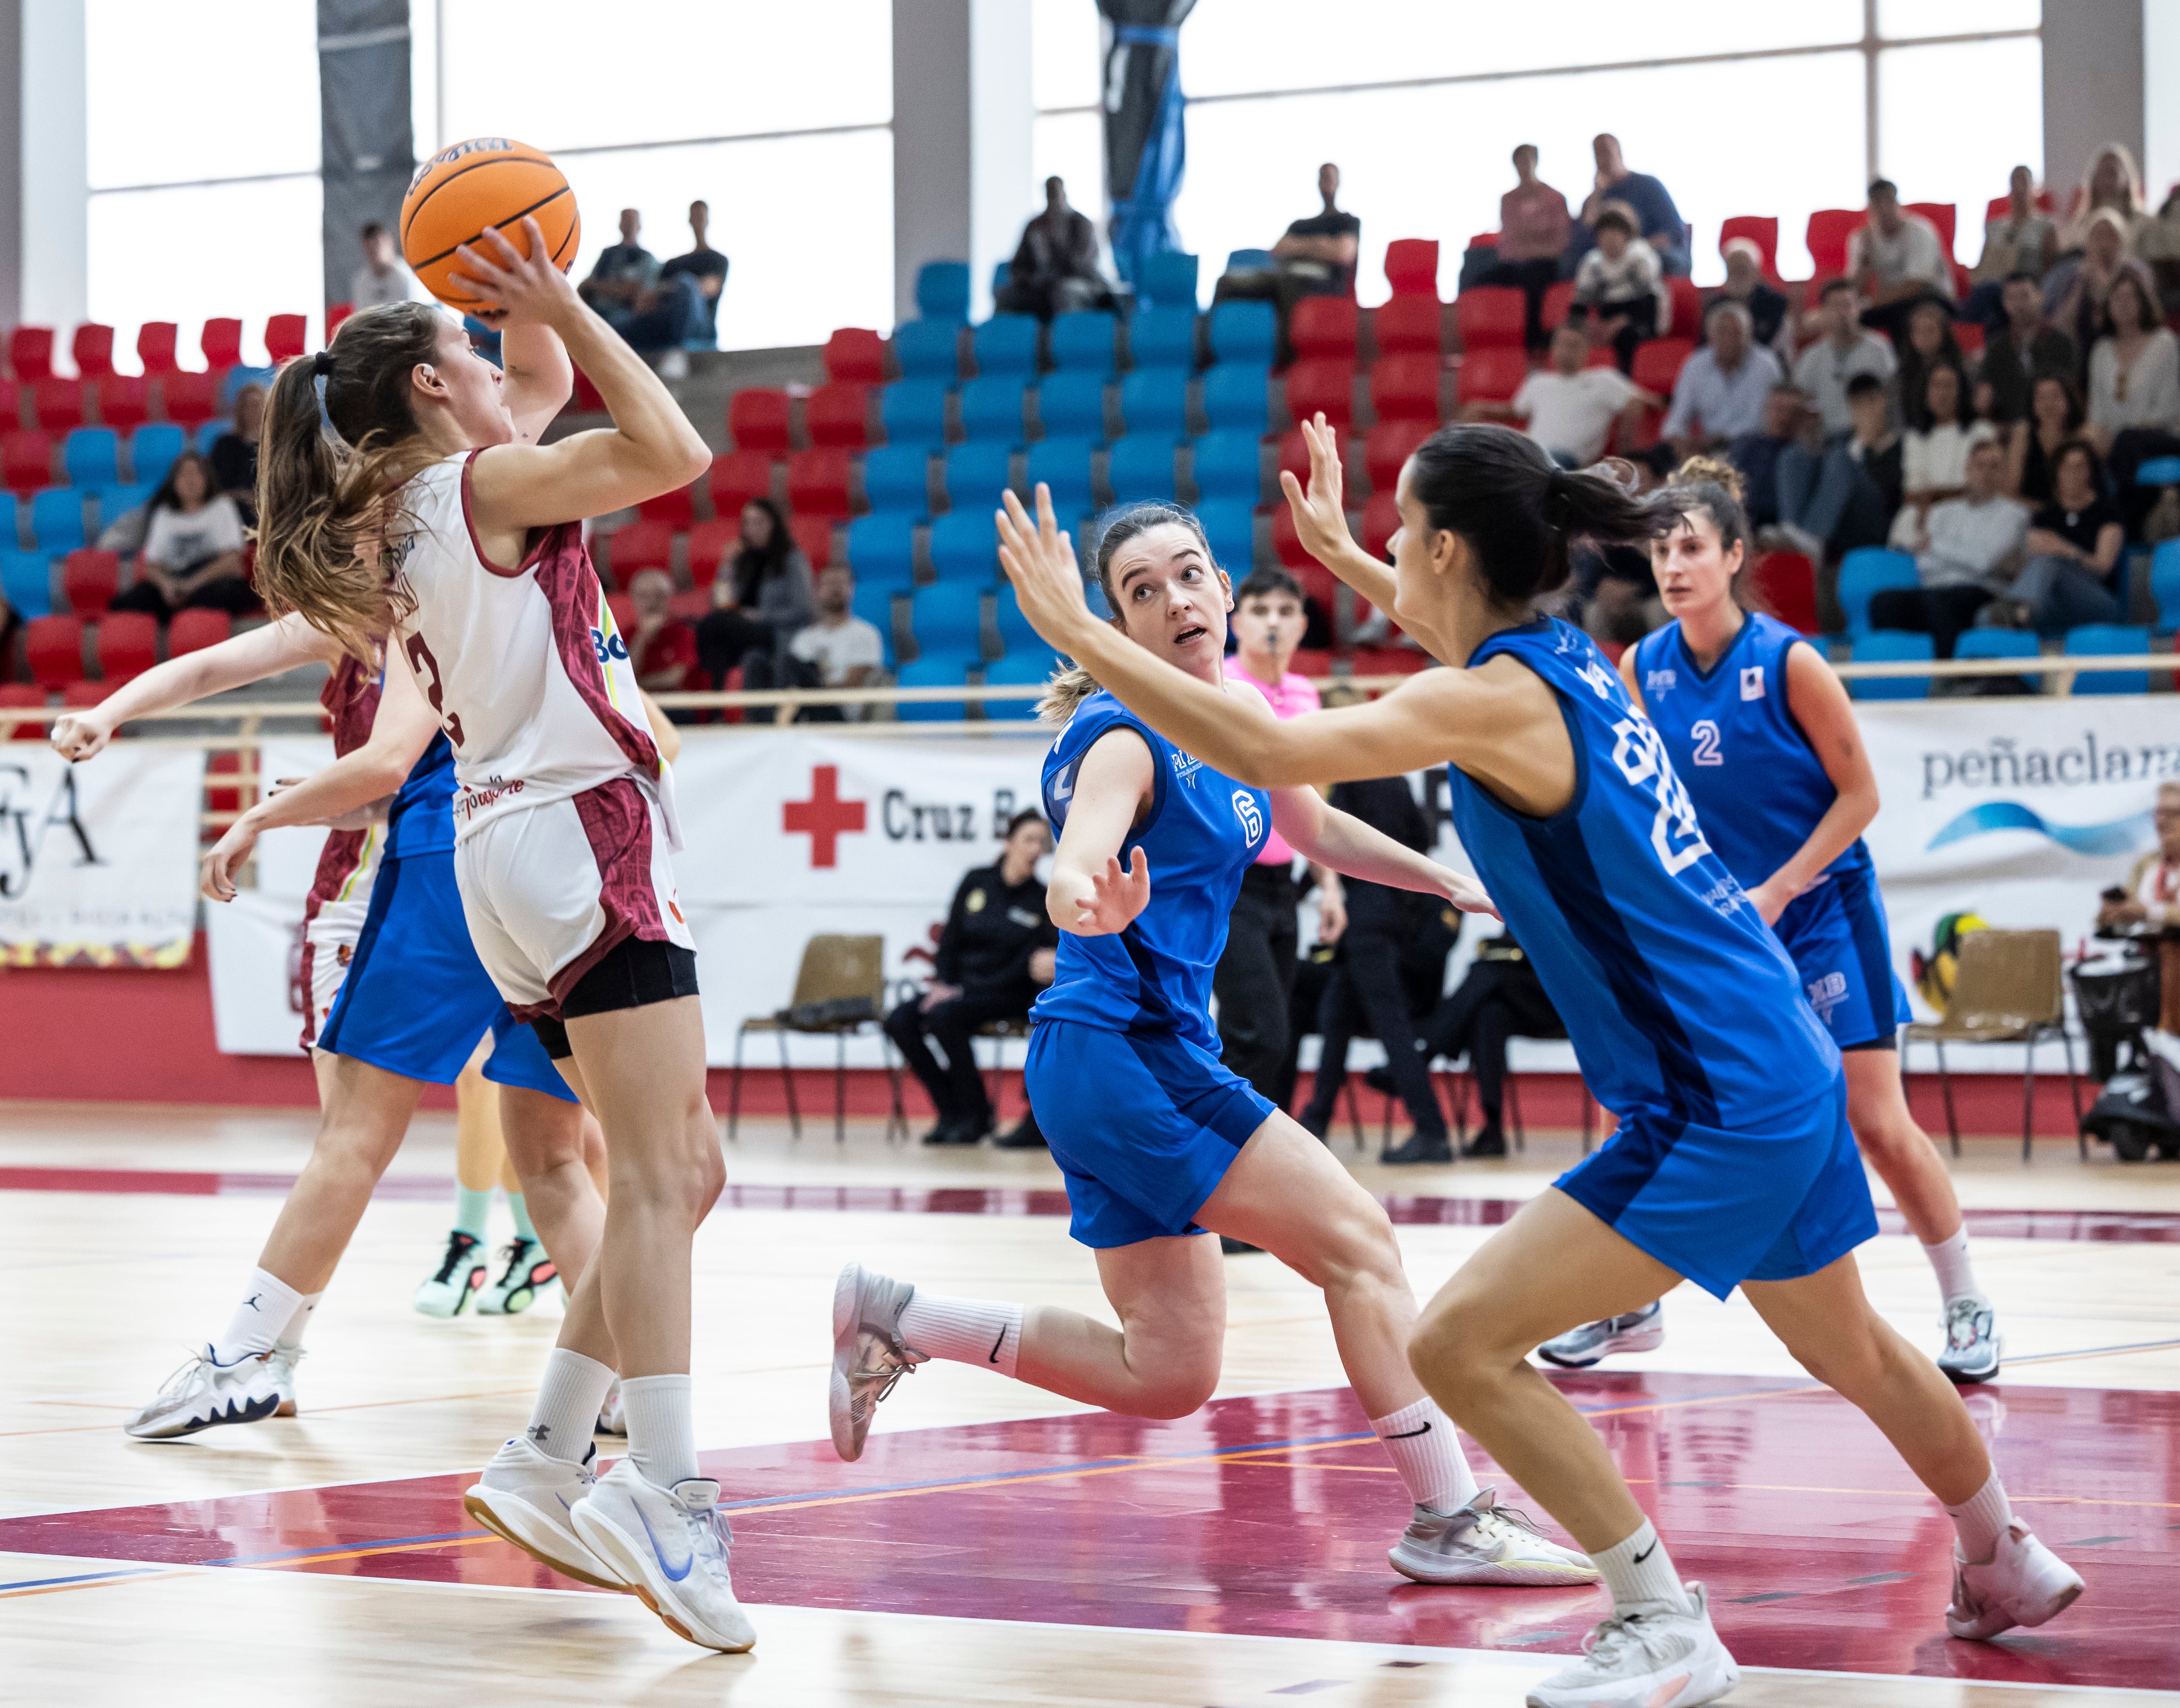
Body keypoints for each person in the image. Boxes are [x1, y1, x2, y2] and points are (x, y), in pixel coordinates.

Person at [994, 416, 2081, 1704]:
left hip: (1706, 1094)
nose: (1391, 555)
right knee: (1847, 1338)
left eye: (1402, 534)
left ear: (1451, 550)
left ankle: (1657, 1616)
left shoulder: (1489, 698)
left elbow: (1275, 750)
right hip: (1777, 1052)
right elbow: (1434, 625)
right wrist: (1341, 550)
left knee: (1455, 1344)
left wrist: (1083, 631)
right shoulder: (1572, 658)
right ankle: (1999, 1547)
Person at [834, 496, 1595, 1598]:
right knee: (1359, 1243)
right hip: (1125, 1051)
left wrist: (1446, 878)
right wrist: (1076, 893)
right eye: (1143, 590)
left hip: (1116, 1061)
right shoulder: (1121, 733)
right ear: (1119, 626)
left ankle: (902, 1317)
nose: (1176, 599)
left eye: (1189, 573)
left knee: (1168, 1373)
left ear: (1227, 588)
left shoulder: (1237, 721)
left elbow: (1314, 825)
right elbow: (1075, 851)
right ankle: (1448, 1511)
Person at [242, 227, 751, 1650]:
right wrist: (578, 304)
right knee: (658, 1171)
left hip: (493, 854)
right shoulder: (489, 481)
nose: (491, 359)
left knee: (678, 1167)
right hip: (584, 828)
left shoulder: (411, 502)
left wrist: (521, 293)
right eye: (464, 349)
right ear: (424, 386)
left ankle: (545, 1448)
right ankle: (666, 1487)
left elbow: (525, 380)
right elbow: (672, 448)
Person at [56, 610, 608, 1431]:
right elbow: (215, 667)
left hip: (435, 865)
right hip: (553, 858)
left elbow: (384, 765)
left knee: (352, 1138)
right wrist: (111, 712)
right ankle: (627, 1372)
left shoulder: (428, 593)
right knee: (558, 1153)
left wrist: (263, 815)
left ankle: (252, 1356)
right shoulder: (525, 594)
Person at [1539, 458, 2003, 1384]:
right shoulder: (1643, 665)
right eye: (1660, 549)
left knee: (1874, 1118)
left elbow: (1861, 795)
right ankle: (1629, 1302)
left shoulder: (1789, 660)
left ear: (1733, 556)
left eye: (1691, 548)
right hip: (1727, 925)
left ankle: (1965, 1297)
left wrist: (1782, 888)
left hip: (1820, 906)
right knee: (1655, 1104)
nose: (1673, 566)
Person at [1212, 568, 1343, 1117]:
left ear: (1301, 626)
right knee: (1259, 1034)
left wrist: (1329, 887)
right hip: (1228, 882)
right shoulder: (1218, 682)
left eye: (1285, 612)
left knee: (1272, 1035)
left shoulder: (1306, 694)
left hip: (1282, 886)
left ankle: (1254, 1166)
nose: (1273, 622)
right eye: (1261, 610)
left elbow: (1310, 802)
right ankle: (1226, 1164)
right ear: (1236, 621)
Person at [1298, 770, 1454, 1164]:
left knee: (1391, 1024)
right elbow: (1420, 838)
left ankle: (1431, 1128)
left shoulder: (1349, 780)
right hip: (1393, 913)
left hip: (1365, 917)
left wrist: (1303, 890)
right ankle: (1315, 1120)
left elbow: (1329, 838)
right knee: (1338, 1012)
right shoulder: (1396, 779)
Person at [885, 812, 1058, 1147]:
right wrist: (944, 982)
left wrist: (964, 990)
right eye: (1029, 839)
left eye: (1042, 842)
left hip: (1006, 992)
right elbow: (950, 939)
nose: (1036, 848)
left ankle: (977, 1115)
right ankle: (952, 1109)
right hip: (960, 988)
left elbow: (1036, 965)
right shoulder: (976, 881)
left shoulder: (1042, 899)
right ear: (1008, 842)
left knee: (944, 1017)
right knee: (900, 1020)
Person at [1871, 435, 2029, 656]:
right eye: (1980, 466)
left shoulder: (2014, 515)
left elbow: (1985, 563)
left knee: (1941, 603)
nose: (1986, 473)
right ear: (1967, 470)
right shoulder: (1941, 512)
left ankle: (1947, 680)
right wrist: (1961, 556)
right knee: (1883, 602)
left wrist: (1935, 544)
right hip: (1936, 590)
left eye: (1995, 467)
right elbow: (1924, 565)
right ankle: (1891, 679)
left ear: (2004, 474)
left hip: (1983, 593)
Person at [1471, 318, 1655, 468]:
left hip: (1569, 462)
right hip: (1529, 453)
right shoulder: (1538, 381)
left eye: (1574, 345)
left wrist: (1626, 448)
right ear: (1553, 348)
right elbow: (1511, 412)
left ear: (1586, 351)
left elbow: (1645, 401)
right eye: (1562, 344)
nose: (1567, 351)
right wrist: (1477, 408)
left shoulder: (1604, 379)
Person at [106, 451, 256, 619]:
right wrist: (166, 585)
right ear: (174, 482)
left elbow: (232, 562)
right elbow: (151, 566)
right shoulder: (164, 514)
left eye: (196, 473)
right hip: (175, 579)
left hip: (210, 580)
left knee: (219, 596)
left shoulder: (222, 507)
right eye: (184, 474)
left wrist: (192, 585)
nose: (190, 480)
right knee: (128, 603)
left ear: (207, 478)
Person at [1772, 371, 1903, 562]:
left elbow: (1891, 495)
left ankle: (1813, 538)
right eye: (1859, 403)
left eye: (1872, 401)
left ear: (1884, 402)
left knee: (1841, 458)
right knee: (1794, 454)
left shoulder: (1898, 446)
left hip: (1873, 516)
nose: (1867, 409)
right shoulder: (1842, 439)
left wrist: (1868, 448)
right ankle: (1791, 530)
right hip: (1839, 517)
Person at [2084, 264, 2180, 525]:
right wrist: (2095, 437)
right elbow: (2097, 413)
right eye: (2117, 298)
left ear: (2144, 302)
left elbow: (2167, 410)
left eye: (2131, 297)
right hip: (2117, 446)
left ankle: (2116, 520)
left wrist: (2115, 440)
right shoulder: (2101, 351)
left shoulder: (2164, 344)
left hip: (2162, 436)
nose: (2123, 304)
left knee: (2127, 441)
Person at [2001, 439, 2127, 635]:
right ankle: (2018, 616)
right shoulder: (2044, 517)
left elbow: (2103, 568)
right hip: (2049, 603)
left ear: (2091, 472)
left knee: (2049, 563)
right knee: (1984, 616)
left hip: (2096, 599)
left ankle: (2017, 615)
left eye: (2080, 467)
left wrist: (2065, 550)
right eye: (2067, 467)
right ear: (2057, 473)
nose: (2073, 474)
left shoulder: (2107, 513)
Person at [695, 496, 815, 690]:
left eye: (759, 522)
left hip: (774, 632)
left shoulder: (792, 560)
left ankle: (714, 703)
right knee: (712, 630)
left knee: (714, 624)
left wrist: (760, 616)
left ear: (774, 524)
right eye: (747, 523)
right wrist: (725, 566)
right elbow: (720, 604)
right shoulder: (740, 561)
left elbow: (803, 609)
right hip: (738, 629)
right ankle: (715, 710)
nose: (752, 528)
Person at [2100, 783, 2180, 1036]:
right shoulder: (2147, 864)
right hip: (2148, 965)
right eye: (2158, 814)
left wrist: (2148, 912)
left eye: (2172, 814)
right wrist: (2113, 914)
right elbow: (2127, 913)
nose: (2161, 823)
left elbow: (2147, 911)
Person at [580, 207, 708, 358]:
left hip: (622, 319)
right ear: (620, 225)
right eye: (625, 220)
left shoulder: (646, 258)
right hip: (595, 316)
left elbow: (636, 293)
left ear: (640, 225)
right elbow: (584, 287)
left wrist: (599, 287)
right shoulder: (608, 255)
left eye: (632, 220)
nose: (628, 224)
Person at [1478, 143, 1572, 348]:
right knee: (1481, 280)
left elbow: (1561, 243)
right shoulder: (1508, 200)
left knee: (1535, 277)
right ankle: (1489, 341)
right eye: (1519, 161)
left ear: (1536, 162)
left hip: (1546, 264)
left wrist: (1530, 248)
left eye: (1527, 160)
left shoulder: (1555, 198)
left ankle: (1535, 343)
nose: (1523, 166)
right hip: (1515, 263)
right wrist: (1532, 243)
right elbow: (1508, 243)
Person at [1662, 300, 1782, 457]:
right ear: (1710, 337)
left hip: (1755, 447)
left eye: (1736, 333)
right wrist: (1678, 440)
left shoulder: (1766, 366)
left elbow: (1771, 422)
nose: (1729, 340)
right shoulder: (1695, 365)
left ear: (1749, 336)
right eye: (1723, 332)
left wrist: (1727, 440)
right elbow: (1677, 418)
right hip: (1708, 449)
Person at [1791, 278, 1898, 439]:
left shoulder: (1879, 350)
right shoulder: (1812, 356)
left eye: (1848, 305)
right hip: (1823, 435)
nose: (1842, 312)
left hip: (1865, 435)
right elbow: (1799, 397)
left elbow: (1893, 394)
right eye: (1835, 306)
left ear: (1859, 308)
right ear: (1824, 311)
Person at [1569, 132, 1688, 277]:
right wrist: (1596, 198)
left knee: (1661, 260)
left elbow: (1673, 231)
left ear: (1618, 152)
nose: (1603, 159)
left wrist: (1632, 251)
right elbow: (1582, 244)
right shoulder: (1594, 199)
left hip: (1650, 252)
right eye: (1598, 154)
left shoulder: (1649, 185)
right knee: (1570, 264)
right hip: (1609, 261)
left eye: (1607, 152)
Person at [781, 563, 886, 721]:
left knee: (796, 668)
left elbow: (853, 685)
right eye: (829, 584)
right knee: (763, 662)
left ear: (852, 589)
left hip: (842, 715)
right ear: (818, 591)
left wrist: (815, 682)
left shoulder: (866, 634)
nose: (835, 589)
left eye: (840, 583)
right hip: (807, 712)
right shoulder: (804, 638)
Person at [1891, 363, 1990, 531]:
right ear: (1926, 392)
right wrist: (1945, 494)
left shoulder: (1981, 432)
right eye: (1936, 385)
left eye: (1948, 386)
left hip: (1971, 512)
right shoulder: (1914, 437)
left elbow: (1980, 486)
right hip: (1921, 513)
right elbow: (1911, 492)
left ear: (1961, 391)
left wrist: (1933, 496)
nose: (1942, 393)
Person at [995, 177, 1108, 321]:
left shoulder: (1081, 225)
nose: (1053, 199)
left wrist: (1056, 246)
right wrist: (1033, 278)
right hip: (1040, 286)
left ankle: (1066, 340)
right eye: (1050, 194)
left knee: (1063, 293)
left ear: (1065, 195)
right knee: (1006, 297)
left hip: (1080, 284)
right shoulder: (1035, 226)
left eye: (1056, 194)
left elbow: (1085, 267)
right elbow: (1019, 266)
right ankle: (1010, 342)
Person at [1567, 207, 1664, 373]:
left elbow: (1650, 302)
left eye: (1614, 234)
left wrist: (1622, 321)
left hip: (1640, 318)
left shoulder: (1640, 259)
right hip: (1606, 319)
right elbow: (1580, 304)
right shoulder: (1592, 263)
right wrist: (1588, 326)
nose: (1609, 241)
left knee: (1627, 336)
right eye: (1604, 235)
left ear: (1625, 236)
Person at [1850, 179, 1955, 331]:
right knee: (1852, 318)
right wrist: (1865, 259)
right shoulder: (1861, 239)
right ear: (1870, 209)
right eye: (1878, 204)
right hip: (1891, 301)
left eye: (1889, 202)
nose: (1885, 209)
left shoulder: (1920, 231)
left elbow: (1916, 285)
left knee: (1908, 313)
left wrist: (1870, 303)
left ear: (1898, 204)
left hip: (1933, 297)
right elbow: (1855, 292)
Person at [1977, 271, 2077, 427]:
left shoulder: (2063, 345)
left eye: (2025, 296)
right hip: (2009, 428)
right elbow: (1985, 396)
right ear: (2004, 303)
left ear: (2041, 296)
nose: (2019, 305)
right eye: (2012, 298)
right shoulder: (1997, 349)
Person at [1964, 168, 2058, 328]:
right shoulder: (1994, 227)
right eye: (2015, 183)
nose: (2019, 189)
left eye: (2024, 183)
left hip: (2025, 286)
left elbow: (2051, 268)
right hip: (1992, 287)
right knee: (1989, 297)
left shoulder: (2046, 227)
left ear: (2034, 190)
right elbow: (1982, 266)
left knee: (1994, 294)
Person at [1725, 385, 1809, 529]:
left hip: (1786, 524)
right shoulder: (1746, 445)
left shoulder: (1804, 453)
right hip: (1745, 519)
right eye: (1779, 409)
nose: (1785, 417)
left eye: (1792, 412)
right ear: (1766, 409)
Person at [1272, 163, 1361, 298]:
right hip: (1287, 275)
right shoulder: (1299, 225)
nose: (1326, 183)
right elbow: (1279, 250)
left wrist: (1299, 247)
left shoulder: (1348, 221)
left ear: (1338, 182)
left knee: (1285, 285)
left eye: (1329, 178)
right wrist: (1322, 244)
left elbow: (1343, 253)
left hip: (1326, 284)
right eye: (1322, 178)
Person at [2008, 370, 2091, 504]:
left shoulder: (2083, 436)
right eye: (2041, 398)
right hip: (2033, 513)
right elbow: (2011, 493)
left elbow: (2092, 490)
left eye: (2055, 396)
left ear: (2069, 401)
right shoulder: (2023, 436)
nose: (2049, 405)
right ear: (2033, 405)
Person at [657, 200, 729, 350]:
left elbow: (709, 288)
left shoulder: (718, 260)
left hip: (703, 331)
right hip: (668, 323)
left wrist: (679, 286)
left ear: (708, 220)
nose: (698, 222)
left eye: (701, 217)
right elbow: (656, 292)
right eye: (695, 217)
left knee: (685, 283)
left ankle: (677, 350)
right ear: (689, 220)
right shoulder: (674, 264)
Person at [2057, 142, 2149, 255]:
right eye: (2103, 171)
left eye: (2112, 172)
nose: (2107, 178)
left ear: (2126, 179)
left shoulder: (2143, 225)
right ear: (2094, 178)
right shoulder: (2079, 226)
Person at [1712, 236, 1789, 354]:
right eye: (1733, 270)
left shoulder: (1775, 304)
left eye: (1743, 270)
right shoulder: (1715, 307)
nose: (1738, 276)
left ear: (1756, 272)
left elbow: (1780, 349)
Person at [627, 567, 697, 694]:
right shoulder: (625, 635)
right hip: (636, 703)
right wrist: (642, 637)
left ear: (669, 599)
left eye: (659, 596)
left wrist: (638, 686)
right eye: (644, 596)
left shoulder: (683, 633)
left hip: (673, 704)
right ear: (633, 599)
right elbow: (625, 674)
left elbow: (674, 678)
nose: (651, 603)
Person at [208, 383, 264, 519]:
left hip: (262, 508)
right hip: (226, 507)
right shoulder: (224, 445)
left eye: (257, 406)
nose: (252, 411)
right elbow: (212, 483)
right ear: (240, 410)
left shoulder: (274, 446)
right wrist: (240, 495)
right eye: (247, 406)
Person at [349, 220, 429, 310]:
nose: (375, 251)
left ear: (389, 242)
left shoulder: (406, 276)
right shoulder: (360, 282)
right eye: (369, 248)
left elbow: (413, 317)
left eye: (377, 245)